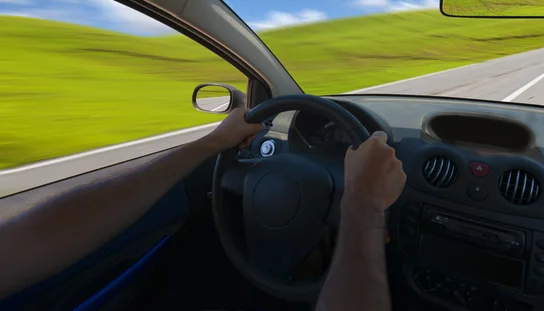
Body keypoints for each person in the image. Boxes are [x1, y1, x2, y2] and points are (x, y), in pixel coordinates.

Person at [0, 108, 406, 311]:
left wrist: (211, 145)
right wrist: (364, 201)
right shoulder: (363, 200)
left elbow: (40, 235)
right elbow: (40, 235)